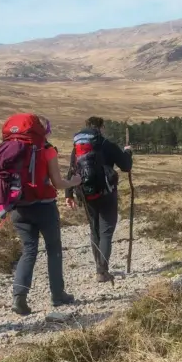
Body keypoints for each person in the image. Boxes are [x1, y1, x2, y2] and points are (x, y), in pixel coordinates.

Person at [9, 115, 82, 315]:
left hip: (19, 208)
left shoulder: (13, 149)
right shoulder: (47, 150)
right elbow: (58, 183)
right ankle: (58, 295)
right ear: (45, 130)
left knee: (29, 250)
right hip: (44, 208)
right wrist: (74, 182)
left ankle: (19, 297)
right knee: (53, 249)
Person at [66, 117, 132, 282]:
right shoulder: (106, 144)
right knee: (106, 232)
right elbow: (126, 166)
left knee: (94, 231)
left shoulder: (78, 148)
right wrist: (127, 152)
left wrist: (69, 194)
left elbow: (72, 171)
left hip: (86, 195)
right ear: (101, 128)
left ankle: (99, 269)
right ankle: (102, 271)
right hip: (107, 194)